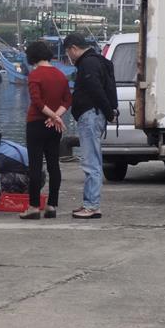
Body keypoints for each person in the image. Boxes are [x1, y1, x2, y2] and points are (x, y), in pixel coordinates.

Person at [63, 33, 118, 220]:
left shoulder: (87, 64)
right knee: (92, 159)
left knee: (91, 161)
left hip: (90, 115)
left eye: (68, 53)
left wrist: (108, 113)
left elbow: (96, 89)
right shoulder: (100, 61)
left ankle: (91, 205)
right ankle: (90, 202)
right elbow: (109, 87)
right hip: (95, 115)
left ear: (73, 48)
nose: (68, 58)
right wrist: (111, 110)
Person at [19, 41, 72, 220]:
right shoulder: (61, 75)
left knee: (35, 165)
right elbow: (67, 99)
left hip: (36, 124)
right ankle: (52, 205)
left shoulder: (35, 75)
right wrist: (57, 116)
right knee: (53, 165)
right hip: (54, 127)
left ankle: (33, 206)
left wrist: (51, 116)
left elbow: (37, 102)